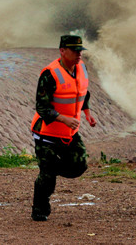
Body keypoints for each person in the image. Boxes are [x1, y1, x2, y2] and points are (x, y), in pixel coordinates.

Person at [30, 35, 97, 221]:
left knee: (79, 166)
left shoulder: (81, 68)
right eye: (75, 51)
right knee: (47, 179)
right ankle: (39, 210)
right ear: (62, 51)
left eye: (80, 51)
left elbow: (83, 92)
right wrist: (63, 119)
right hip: (47, 133)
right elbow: (41, 107)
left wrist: (87, 113)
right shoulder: (49, 74)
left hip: (69, 133)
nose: (79, 54)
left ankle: (49, 169)